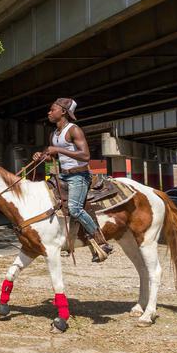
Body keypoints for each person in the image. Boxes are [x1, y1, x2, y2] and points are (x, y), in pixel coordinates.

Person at [32, 97, 113, 263]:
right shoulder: (53, 135)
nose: (49, 112)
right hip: (63, 175)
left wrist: (58, 149)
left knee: (75, 209)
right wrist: (41, 156)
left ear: (63, 112)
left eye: (52, 109)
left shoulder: (74, 130)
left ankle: (101, 242)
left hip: (79, 176)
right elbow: (51, 157)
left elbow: (86, 155)